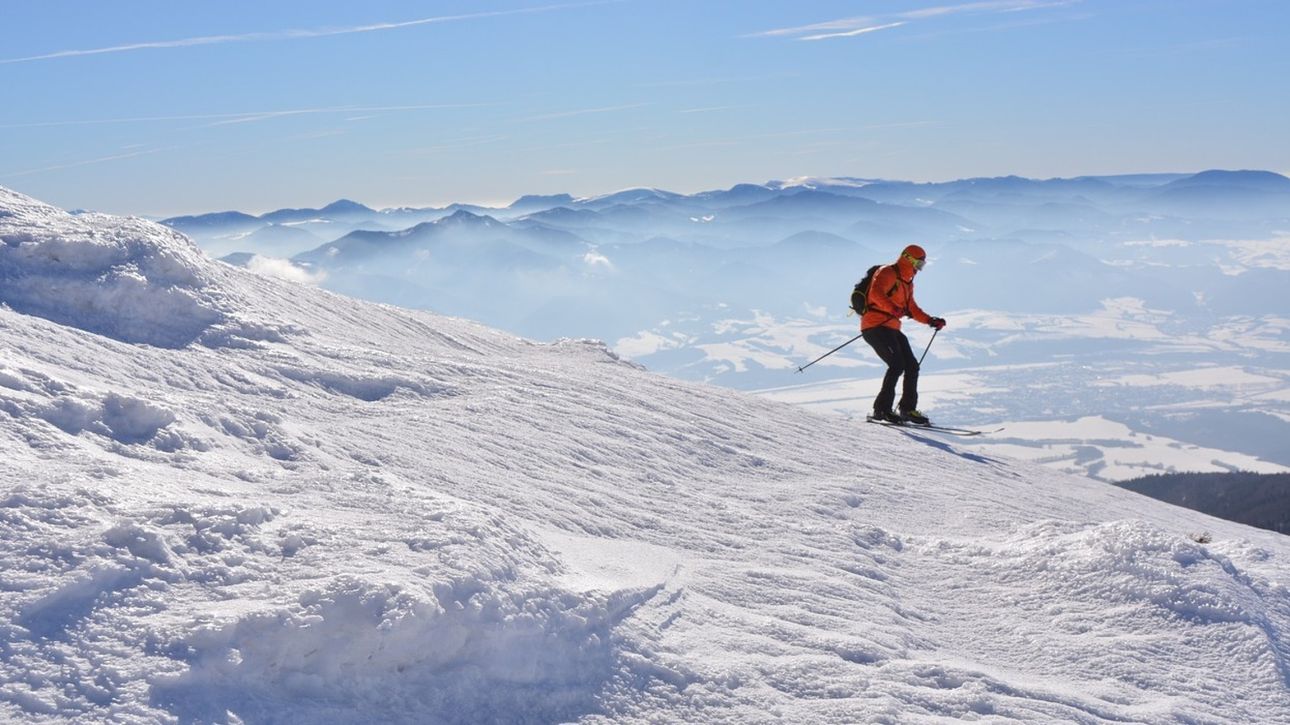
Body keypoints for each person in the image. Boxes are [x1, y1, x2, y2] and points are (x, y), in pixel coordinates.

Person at [861, 244, 946, 425]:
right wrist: (892, 308)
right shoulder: (887, 272)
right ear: (909, 259)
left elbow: (911, 308)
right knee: (897, 364)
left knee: (912, 366)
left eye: (922, 265)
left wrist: (931, 320)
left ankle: (907, 409)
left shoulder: (907, 282)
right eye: (918, 263)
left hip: (891, 328)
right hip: (875, 326)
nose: (919, 268)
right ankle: (881, 410)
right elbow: (875, 293)